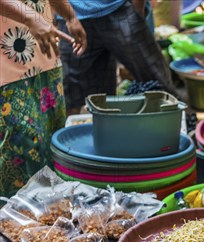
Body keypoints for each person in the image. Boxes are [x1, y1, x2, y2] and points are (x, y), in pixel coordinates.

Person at [0, 0, 86, 197]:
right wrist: (31, 17)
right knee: (19, 144)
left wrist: (70, 15)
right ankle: (11, 219)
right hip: (7, 60)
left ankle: (45, 217)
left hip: (42, 49)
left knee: (51, 140)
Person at [56, 0, 177, 115]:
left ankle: (177, 126)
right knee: (79, 98)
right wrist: (69, 17)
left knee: (157, 84)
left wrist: (137, 9)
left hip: (119, 8)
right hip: (71, 15)